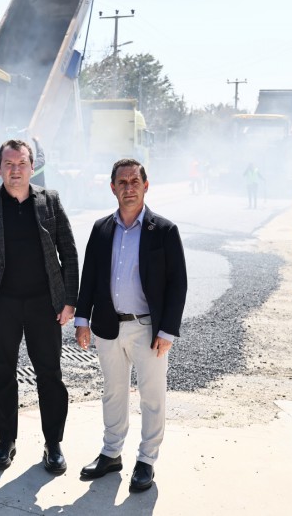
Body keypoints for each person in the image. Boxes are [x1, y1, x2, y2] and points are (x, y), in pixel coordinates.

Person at [0, 139, 78, 474]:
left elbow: (68, 252)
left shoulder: (49, 200)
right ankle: (5, 442)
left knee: (50, 375)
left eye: (21, 163)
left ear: (32, 166)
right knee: (2, 374)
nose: (15, 170)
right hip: (2, 305)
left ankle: (53, 444)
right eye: (9, 164)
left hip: (45, 304)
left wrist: (69, 300)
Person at [74, 158, 188, 493]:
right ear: (112, 188)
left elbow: (177, 283)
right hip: (109, 326)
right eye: (122, 182)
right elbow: (90, 277)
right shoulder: (101, 229)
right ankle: (111, 454)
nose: (128, 188)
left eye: (134, 181)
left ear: (145, 186)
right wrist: (83, 320)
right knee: (113, 393)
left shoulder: (164, 230)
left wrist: (167, 330)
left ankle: (147, 460)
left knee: (152, 396)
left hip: (148, 329)